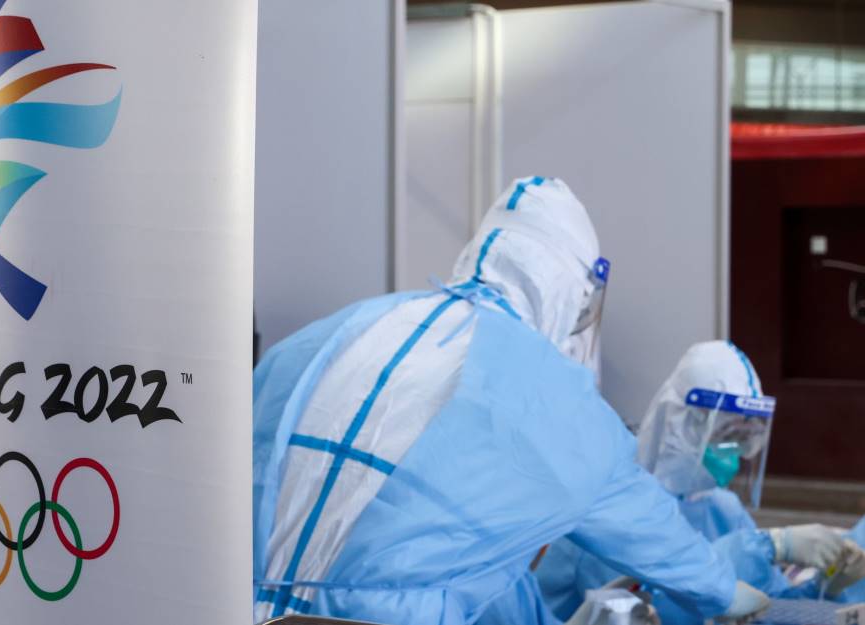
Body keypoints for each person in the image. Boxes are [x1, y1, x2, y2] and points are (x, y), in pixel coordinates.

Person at [252, 177, 767, 625]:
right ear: (572, 291)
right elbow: (645, 528)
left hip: (230, 603)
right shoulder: (555, 397)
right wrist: (722, 589)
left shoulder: (332, 331)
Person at [535, 341, 864, 623]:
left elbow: (766, 603)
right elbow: (663, 608)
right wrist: (769, 545)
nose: (736, 454)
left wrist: (828, 586)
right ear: (682, 426)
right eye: (725, 435)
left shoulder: (720, 506)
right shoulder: (613, 510)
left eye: (744, 439)